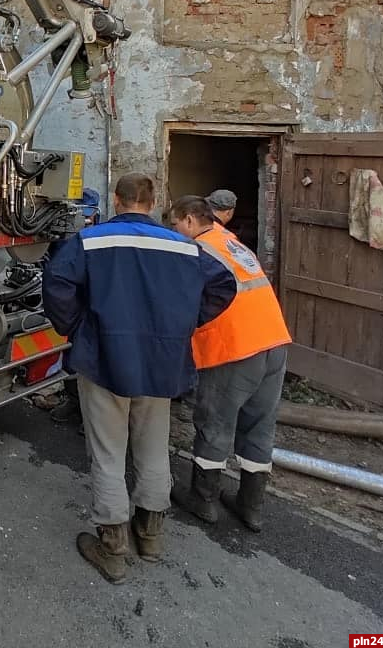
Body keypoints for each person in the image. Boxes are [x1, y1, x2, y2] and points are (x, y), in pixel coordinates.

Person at [42, 173, 236, 584]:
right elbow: (224, 285)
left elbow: (57, 284)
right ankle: (150, 537)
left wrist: (78, 329)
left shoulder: (92, 241)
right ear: (153, 202)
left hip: (105, 359)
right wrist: (181, 326)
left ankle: (112, 547)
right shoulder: (184, 247)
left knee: (109, 454)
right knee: (152, 448)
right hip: (162, 363)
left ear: (116, 199)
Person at [169, 195, 292, 533]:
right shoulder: (233, 244)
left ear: (191, 221)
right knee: (259, 426)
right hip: (274, 341)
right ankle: (251, 508)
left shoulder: (198, 250)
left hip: (235, 348)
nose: (176, 232)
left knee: (215, 422)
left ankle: (203, 498)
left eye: (176, 225)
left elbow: (184, 300)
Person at [50, 187, 102, 431]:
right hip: (75, 308)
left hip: (88, 308)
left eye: (89, 214)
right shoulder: (63, 230)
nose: (85, 219)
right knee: (74, 358)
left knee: (89, 362)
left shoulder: (92, 237)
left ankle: (89, 416)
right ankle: (75, 404)